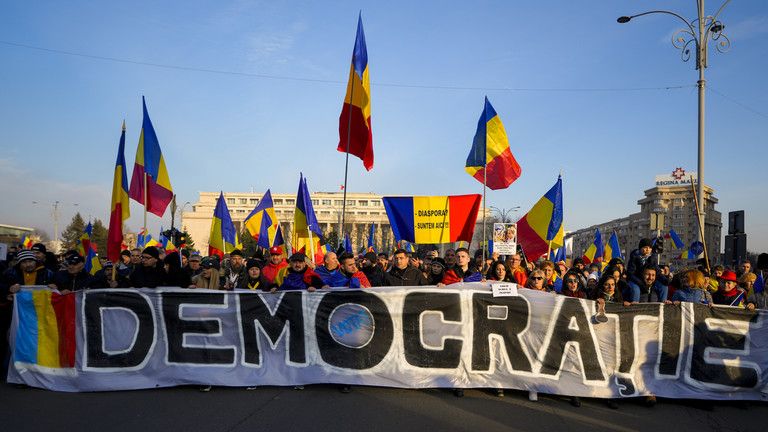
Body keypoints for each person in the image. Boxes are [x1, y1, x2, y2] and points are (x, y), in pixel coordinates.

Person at [626, 238, 658, 302]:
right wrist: (641, 283)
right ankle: (635, 306)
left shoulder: (653, 258)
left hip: (648, 280)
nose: (648, 250)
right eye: (645, 247)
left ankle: (664, 304)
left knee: (663, 286)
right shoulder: (634, 258)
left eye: (650, 248)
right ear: (640, 248)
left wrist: (665, 278)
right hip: (635, 280)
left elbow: (657, 270)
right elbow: (630, 273)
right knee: (636, 290)